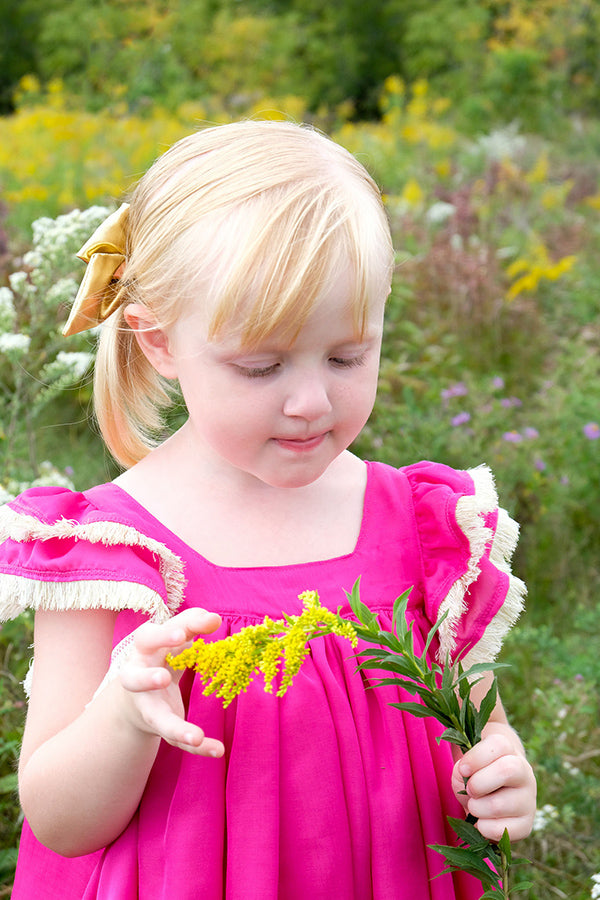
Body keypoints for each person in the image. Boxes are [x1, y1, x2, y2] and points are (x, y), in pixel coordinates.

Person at [0, 120, 536, 899]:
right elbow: (60, 822)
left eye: (348, 356)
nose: (311, 400)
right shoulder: (111, 556)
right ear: (158, 343)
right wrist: (121, 715)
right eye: (261, 366)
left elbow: (479, 723)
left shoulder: (424, 530)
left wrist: (501, 777)